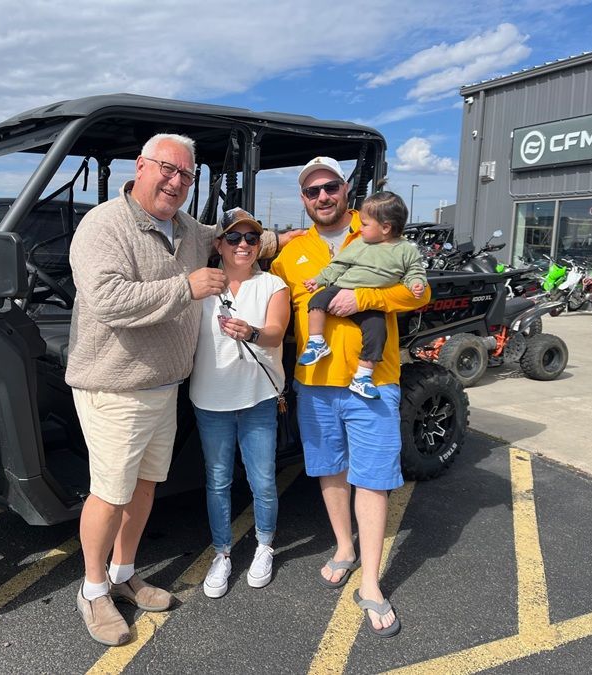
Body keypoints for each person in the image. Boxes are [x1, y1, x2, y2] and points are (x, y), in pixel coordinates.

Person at [67, 133, 298, 647]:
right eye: (167, 169)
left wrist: (294, 238)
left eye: (186, 175)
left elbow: (233, 236)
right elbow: (107, 299)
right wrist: (184, 288)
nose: (176, 181)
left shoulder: (189, 229)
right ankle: (93, 589)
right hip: (116, 388)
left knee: (144, 487)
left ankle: (123, 574)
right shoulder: (104, 224)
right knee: (110, 493)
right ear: (141, 166)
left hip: (164, 387)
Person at [270, 156, 431, 638]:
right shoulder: (291, 254)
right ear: (303, 199)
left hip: (372, 383)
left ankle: (372, 583)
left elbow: (420, 294)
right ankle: (344, 547)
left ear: (345, 190)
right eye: (312, 190)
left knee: (374, 480)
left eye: (330, 187)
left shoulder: (380, 232)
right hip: (315, 385)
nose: (322, 196)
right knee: (330, 470)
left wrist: (366, 298)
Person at [188, 208, 290, 598]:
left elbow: (276, 332)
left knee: (262, 479)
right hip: (209, 398)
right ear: (219, 244)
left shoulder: (272, 285)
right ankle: (222, 552)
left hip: (257, 397)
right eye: (233, 237)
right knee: (218, 481)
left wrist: (252, 332)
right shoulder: (202, 285)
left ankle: (264, 545)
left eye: (251, 238)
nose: (243, 245)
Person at [299, 187, 427, 399]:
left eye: (365, 224)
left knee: (377, 331)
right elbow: (338, 266)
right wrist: (318, 280)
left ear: (385, 228)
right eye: (311, 191)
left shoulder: (405, 249)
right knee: (316, 301)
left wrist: (416, 284)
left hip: (372, 307)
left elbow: (415, 274)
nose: (360, 228)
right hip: (341, 287)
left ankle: (363, 376)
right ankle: (317, 342)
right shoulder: (359, 244)